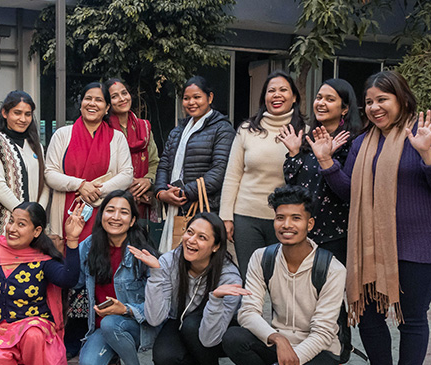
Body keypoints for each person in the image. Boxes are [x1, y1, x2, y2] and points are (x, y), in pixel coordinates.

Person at [317, 70, 431, 365]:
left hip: (418, 244)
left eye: (383, 99)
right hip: (370, 245)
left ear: (401, 99)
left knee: (411, 318)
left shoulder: (429, 135)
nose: (375, 107)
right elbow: (351, 193)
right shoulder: (365, 142)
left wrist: (426, 153)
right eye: (369, 102)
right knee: (365, 312)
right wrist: (326, 162)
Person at [222, 185, 345, 365]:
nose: (286, 225)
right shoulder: (262, 258)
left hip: (320, 350)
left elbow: (322, 334)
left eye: (296, 218)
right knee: (233, 338)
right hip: (280, 343)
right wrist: (277, 339)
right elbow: (247, 312)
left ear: (309, 224)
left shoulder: (332, 268)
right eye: (280, 218)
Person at [279, 78, 362, 365]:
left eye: (330, 99)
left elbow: (345, 190)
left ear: (344, 106)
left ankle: (337, 363)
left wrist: (328, 157)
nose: (321, 103)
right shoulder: (311, 134)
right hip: (306, 232)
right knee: (307, 301)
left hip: (334, 233)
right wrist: (295, 153)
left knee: (331, 302)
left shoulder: (350, 142)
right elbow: (293, 181)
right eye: (318, 97)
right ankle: (313, 355)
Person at [44, 82, 133, 357]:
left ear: (107, 107)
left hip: (102, 216)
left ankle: (95, 330)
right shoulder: (63, 134)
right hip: (68, 213)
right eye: (87, 98)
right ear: (81, 103)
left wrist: (96, 192)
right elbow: (50, 173)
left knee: (96, 270)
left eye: (98, 100)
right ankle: (68, 334)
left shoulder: (116, 138)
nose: (92, 103)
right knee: (70, 274)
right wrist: (79, 184)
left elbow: (126, 174)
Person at [130, 213, 246, 365]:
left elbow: (211, 337)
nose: (191, 240)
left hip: (220, 329)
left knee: (193, 325)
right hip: (183, 321)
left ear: (216, 246)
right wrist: (156, 274)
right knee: (164, 359)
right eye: (190, 232)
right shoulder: (170, 261)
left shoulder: (229, 276)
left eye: (202, 237)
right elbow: (155, 319)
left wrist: (216, 299)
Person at [0, 202, 84, 365]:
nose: (12, 228)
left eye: (21, 224)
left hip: (31, 327)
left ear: (37, 231)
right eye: (11, 221)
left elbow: (68, 280)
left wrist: (72, 241)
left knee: (34, 334)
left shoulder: (42, 260)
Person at [219, 71, 306, 279]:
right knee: (250, 280)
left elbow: (306, 180)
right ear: (264, 98)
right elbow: (232, 175)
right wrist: (226, 217)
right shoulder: (247, 130)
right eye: (271, 91)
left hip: (286, 219)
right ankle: (248, 314)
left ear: (294, 97)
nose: (277, 95)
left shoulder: (305, 132)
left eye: (283, 90)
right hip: (246, 218)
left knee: (283, 282)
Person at [77, 190, 159, 365]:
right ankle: (114, 357)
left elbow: (159, 304)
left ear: (132, 221)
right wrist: (69, 242)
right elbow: (73, 281)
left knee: (111, 323)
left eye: (123, 212)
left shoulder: (142, 253)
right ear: (101, 214)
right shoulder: (88, 247)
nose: (115, 217)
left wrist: (125, 309)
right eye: (110, 210)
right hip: (103, 326)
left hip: (138, 324)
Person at [155, 76, 236, 253]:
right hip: (175, 208)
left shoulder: (222, 129)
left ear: (210, 98)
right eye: (186, 98)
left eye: (197, 97)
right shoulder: (178, 130)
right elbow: (164, 164)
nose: (191, 102)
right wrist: (161, 192)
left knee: (201, 259)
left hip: (206, 208)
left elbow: (220, 171)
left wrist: (185, 192)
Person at [0, 90, 49, 247]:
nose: (23, 119)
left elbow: (44, 184)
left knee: (30, 269)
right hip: (2, 223)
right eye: (17, 113)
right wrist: (24, 216)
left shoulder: (36, 146)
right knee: (2, 270)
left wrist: (38, 215)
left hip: (31, 227)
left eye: (28, 114)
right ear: (5, 113)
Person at [105, 78, 160, 238]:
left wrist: (148, 180)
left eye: (124, 93)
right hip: (112, 200)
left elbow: (155, 162)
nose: (122, 99)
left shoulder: (144, 128)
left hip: (142, 200)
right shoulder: (104, 130)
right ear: (108, 103)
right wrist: (124, 187)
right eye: (115, 96)